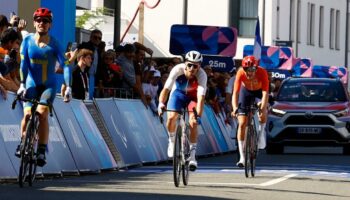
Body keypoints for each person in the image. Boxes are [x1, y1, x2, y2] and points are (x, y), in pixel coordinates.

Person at [15, 8, 74, 167]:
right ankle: (22, 142)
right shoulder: (27, 42)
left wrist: (68, 86)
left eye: (46, 20)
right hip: (31, 84)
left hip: (48, 86)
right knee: (27, 114)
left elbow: (66, 66)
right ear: (34, 23)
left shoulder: (55, 44)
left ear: (50, 25)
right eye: (39, 20)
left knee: (41, 113)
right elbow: (24, 65)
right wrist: (21, 84)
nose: (42, 23)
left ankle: (41, 149)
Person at [158, 50, 207, 171]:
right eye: (189, 65)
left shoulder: (202, 75)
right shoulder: (177, 69)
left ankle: (193, 156)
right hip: (178, 94)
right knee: (171, 117)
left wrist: (198, 116)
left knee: (193, 122)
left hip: (193, 97)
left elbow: (200, 99)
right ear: (185, 64)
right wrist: (160, 104)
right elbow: (166, 89)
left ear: (199, 66)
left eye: (195, 66)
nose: (192, 68)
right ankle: (171, 140)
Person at [231, 55, 269, 168]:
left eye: (252, 70)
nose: (249, 72)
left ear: (256, 69)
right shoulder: (240, 73)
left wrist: (263, 106)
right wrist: (234, 108)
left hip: (259, 92)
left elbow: (265, 93)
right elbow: (235, 93)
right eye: (247, 69)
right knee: (242, 123)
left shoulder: (262, 72)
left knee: (263, 112)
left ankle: (261, 133)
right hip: (246, 91)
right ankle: (242, 157)